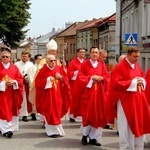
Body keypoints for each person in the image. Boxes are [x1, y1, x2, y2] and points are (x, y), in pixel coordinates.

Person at [106, 46, 150, 149]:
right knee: (125, 125)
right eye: (135, 56)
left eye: (138, 56)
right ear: (128, 55)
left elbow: (142, 77)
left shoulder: (137, 66)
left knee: (138, 123)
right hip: (125, 100)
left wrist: (141, 81)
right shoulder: (120, 67)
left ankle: (138, 145)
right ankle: (126, 146)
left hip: (138, 100)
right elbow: (116, 83)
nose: (137, 59)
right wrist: (134, 82)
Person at [73, 46, 110, 146]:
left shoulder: (102, 65)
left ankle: (94, 138)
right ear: (90, 54)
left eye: (96, 53)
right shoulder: (85, 64)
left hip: (100, 95)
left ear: (98, 55)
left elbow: (107, 77)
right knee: (88, 115)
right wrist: (91, 77)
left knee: (98, 116)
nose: (94, 54)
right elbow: (80, 78)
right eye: (93, 52)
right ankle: (85, 136)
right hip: (88, 93)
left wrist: (101, 78)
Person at [35, 54, 71, 138]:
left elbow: (66, 80)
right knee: (50, 112)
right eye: (51, 61)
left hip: (58, 95)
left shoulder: (59, 68)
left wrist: (61, 77)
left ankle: (57, 130)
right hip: (48, 96)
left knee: (57, 111)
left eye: (54, 60)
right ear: (46, 61)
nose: (53, 62)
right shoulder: (43, 70)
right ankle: (51, 131)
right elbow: (38, 82)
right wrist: (47, 80)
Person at [0, 50, 23, 138]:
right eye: (3, 57)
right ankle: (6, 130)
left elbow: (19, 79)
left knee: (11, 109)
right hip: (2, 93)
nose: (5, 58)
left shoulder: (14, 68)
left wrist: (14, 82)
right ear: (1, 58)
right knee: (3, 110)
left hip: (12, 93)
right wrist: (3, 84)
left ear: (10, 58)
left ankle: (7, 127)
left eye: (7, 56)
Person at [67, 48, 86, 122]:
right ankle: (72, 115)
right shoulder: (73, 62)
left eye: (84, 52)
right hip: (74, 83)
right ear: (77, 53)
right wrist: (77, 72)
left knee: (83, 100)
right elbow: (69, 73)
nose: (83, 54)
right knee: (74, 99)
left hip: (83, 83)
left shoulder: (86, 62)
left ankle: (82, 115)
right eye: (81, 52)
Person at [15, 51, 33, 122]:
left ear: (28, 57)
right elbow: (15, 74)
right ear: (21, 56)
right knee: (20, 99)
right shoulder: (16, 64)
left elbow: (32, 74)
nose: (24, 58)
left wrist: (29, 78)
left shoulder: (31, 65)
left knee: (26, 100)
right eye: (23, 56)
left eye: (26, 56)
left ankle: (25, 115)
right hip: (19, 84)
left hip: (27, 84)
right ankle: (18, 113)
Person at [27, 54, 43, 120]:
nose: (40, 60)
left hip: (41, 86)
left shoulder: (42, 67)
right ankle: (33, 114)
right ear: (36, 60)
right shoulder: (32, 68)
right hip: (35, 86)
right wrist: (33, 85)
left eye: (41, 59)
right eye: (39, 59)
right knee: (34, 100)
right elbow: (31, 77)